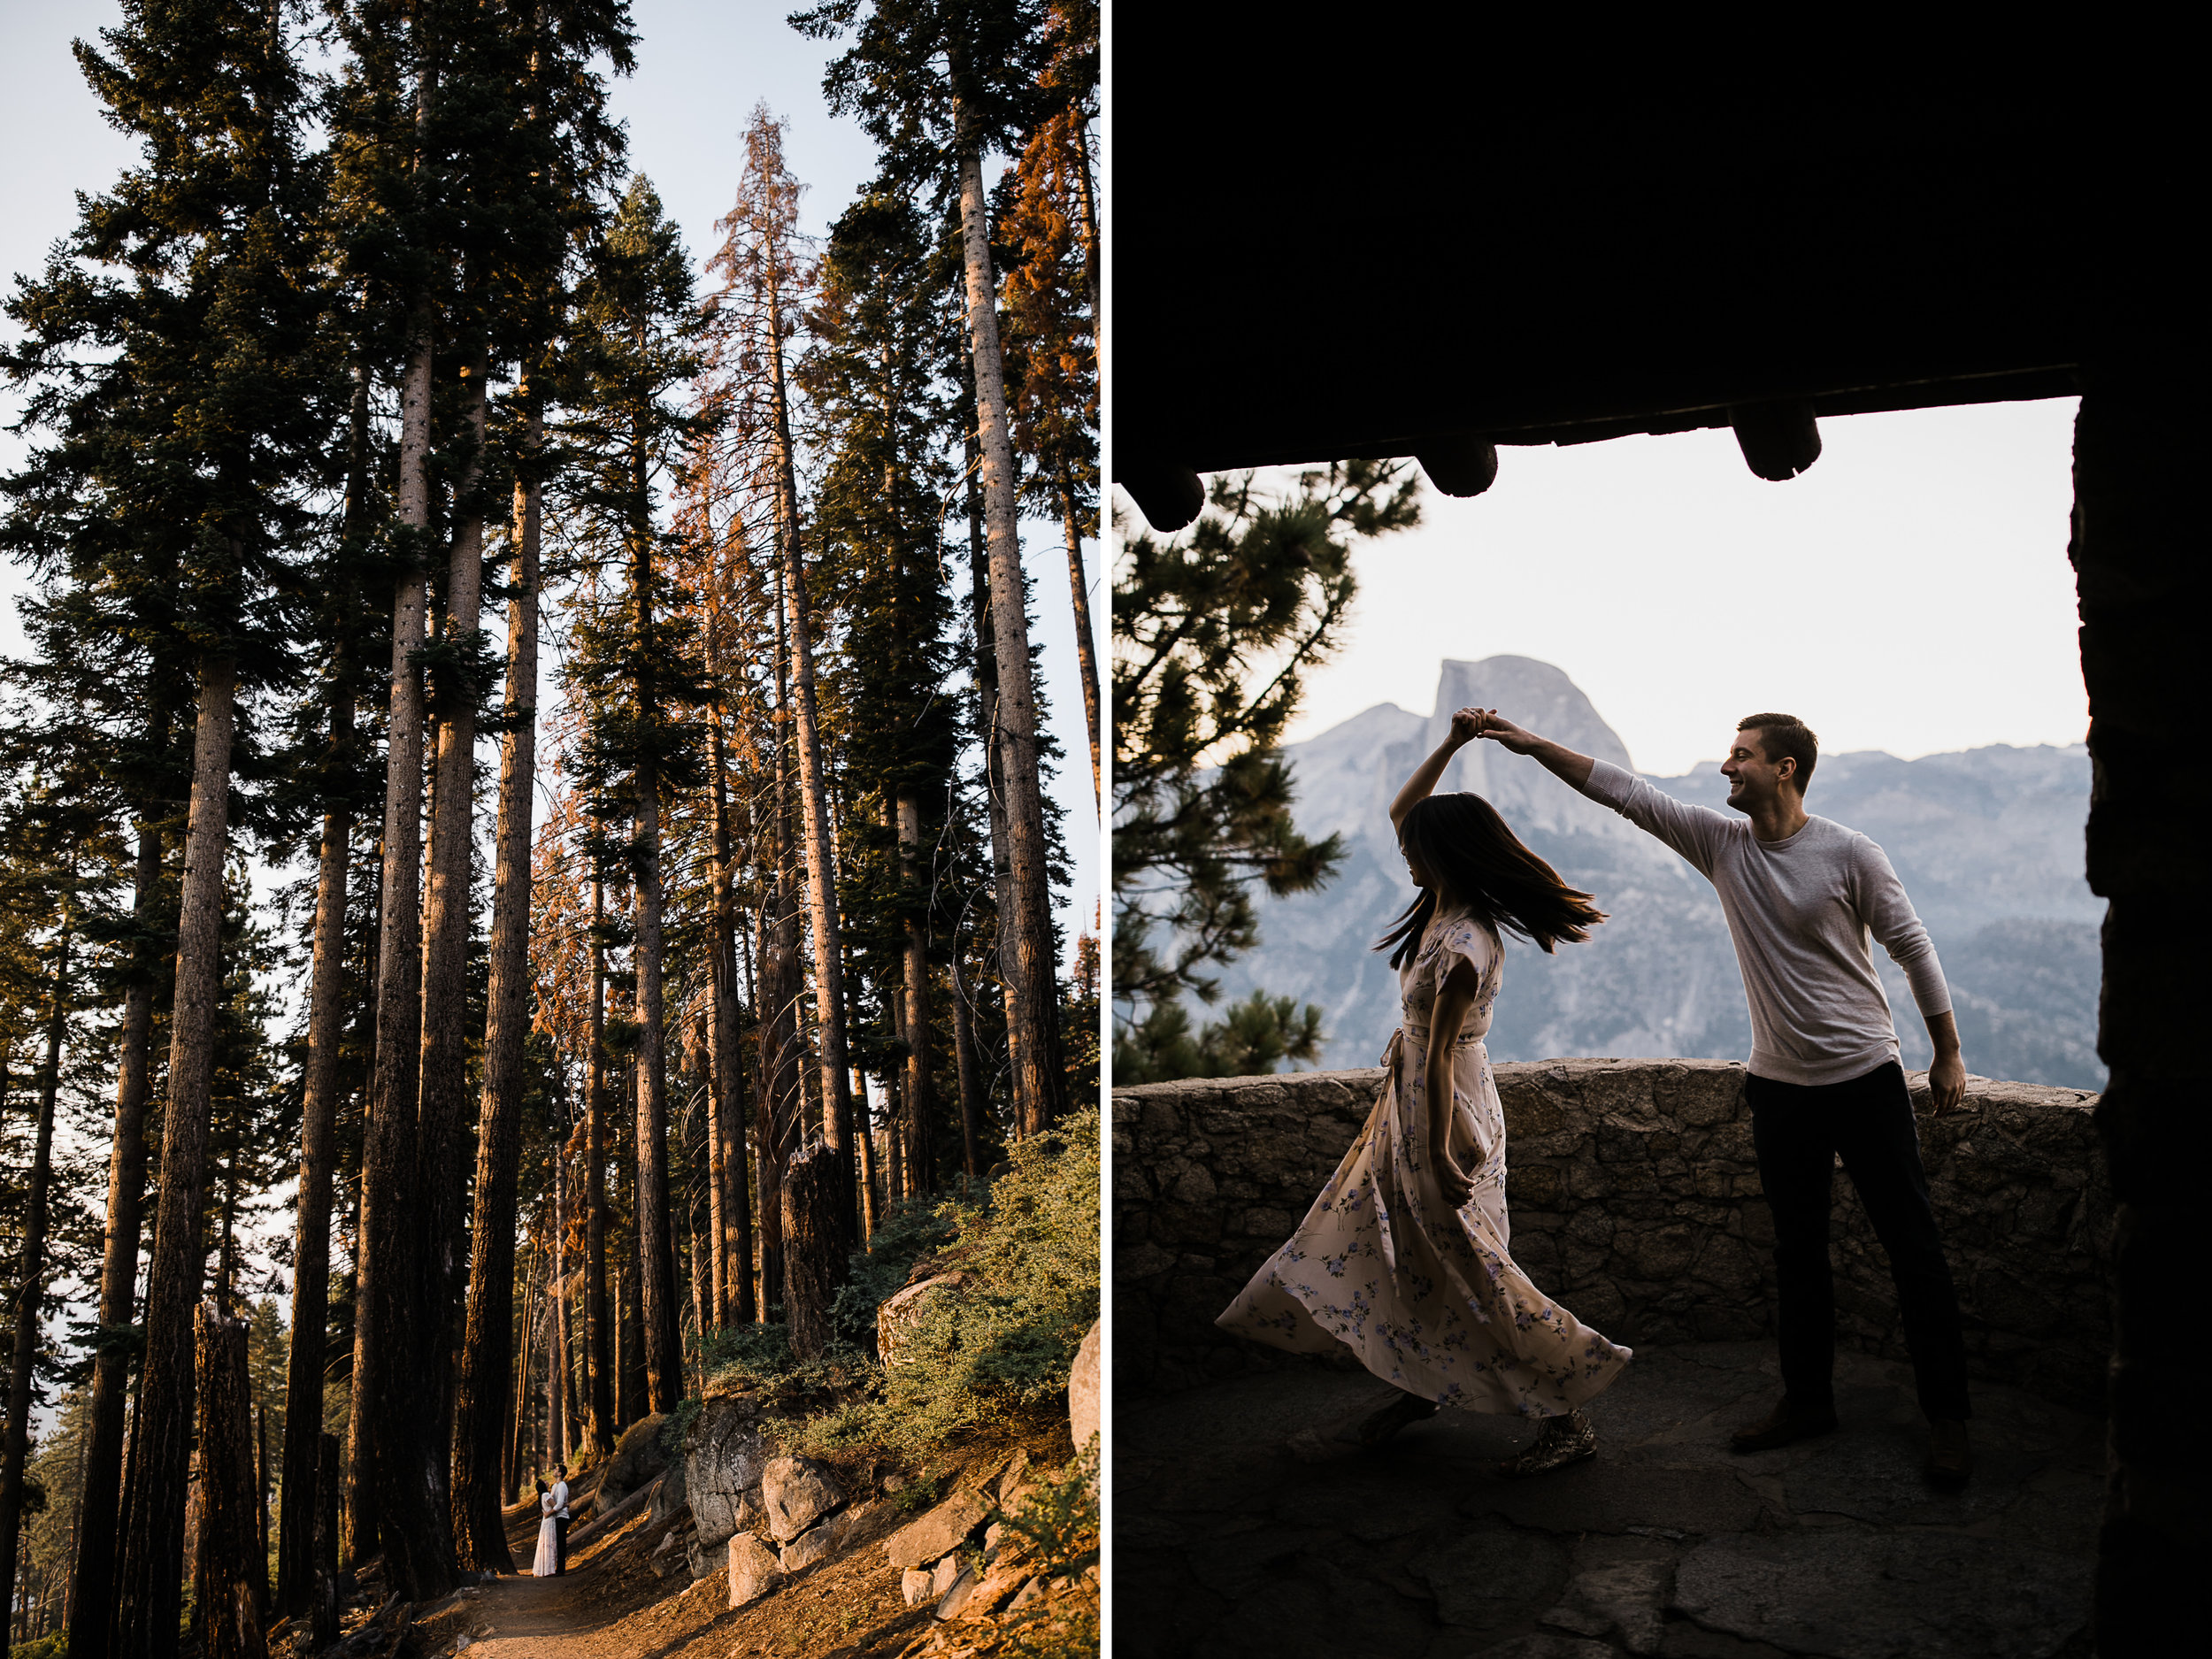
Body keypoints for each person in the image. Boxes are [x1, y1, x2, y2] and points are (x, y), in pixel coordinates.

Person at [1469, 707, 1974, 1485]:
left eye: (1740, 755)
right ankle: (1808, 1401)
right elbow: (1625, 794)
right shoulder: (1722, 843)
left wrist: (1948, 1052)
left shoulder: (1848, 852)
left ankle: (1950, 1420)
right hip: (1780, 1088)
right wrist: (1531, 744)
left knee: (1914, 1251)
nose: (1724, 766)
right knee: (1797, 1253)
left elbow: (1912, 947)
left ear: (1786, 768)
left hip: (1866, 1077)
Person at [1217, 707, 1634, 1478]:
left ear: (1441, 855)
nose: (1402, 849)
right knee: (1407, 1253)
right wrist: (1452, 742)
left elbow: (1440, 1055)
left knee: (1472, 1263)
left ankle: (1567, 1416)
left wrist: (1440, 1150)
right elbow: (1401, 810)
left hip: (1444, 1109)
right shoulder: (1443, 908)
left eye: (1414, 846)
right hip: (1414, 1100)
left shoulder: (1464, 943)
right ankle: (1418, 1386)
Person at [531, 1478, 558, 1578]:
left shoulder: (542, 1496)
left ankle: (543, 1569)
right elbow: (556, 1507)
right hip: (550, 1521)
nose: (547, 1481)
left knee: (545, 1545)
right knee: (549, 1544)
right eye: (544, 1481)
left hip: (545, 1522)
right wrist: (564, 1504)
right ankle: (548, 1569)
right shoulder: (546, 1495)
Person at [550, 1463, 572, 1575]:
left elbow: (559, 1505)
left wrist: (550, 1512)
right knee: (555, 1543)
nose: (554, 1470)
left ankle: (561, 1569)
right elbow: (552, 1501)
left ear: (560, 1474)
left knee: (561, 1543)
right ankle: (554, 1567)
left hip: (562, 1517)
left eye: (556, 1469)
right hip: (555, 1517)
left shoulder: (563, 1486)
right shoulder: (554, 1486)